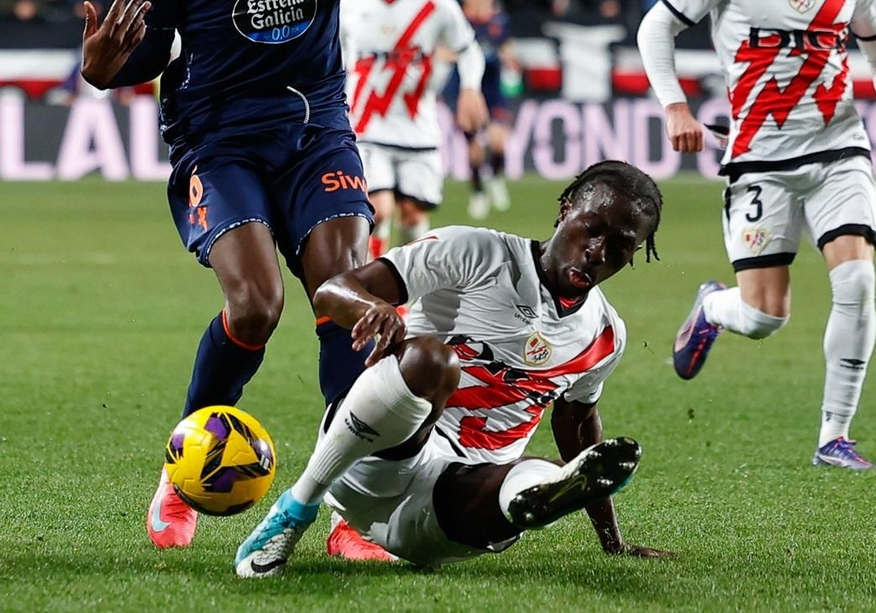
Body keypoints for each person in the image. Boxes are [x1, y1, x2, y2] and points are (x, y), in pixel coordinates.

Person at [77, 0, 520, 551]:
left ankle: (355, 509)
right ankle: (183, 469)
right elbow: (153, 42)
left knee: (347, 304)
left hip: (316, 128)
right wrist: (106, 69)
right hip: (219, 136)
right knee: (255, 306)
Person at [635, 0, 876, 470]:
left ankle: (833, 436)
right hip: (759, 155)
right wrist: (674, 104)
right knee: (766, 316)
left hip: (839, 147)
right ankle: (713, 307)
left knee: (858, 281)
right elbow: (657, 28)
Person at [234, 161, 670, 576]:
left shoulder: (605, 334)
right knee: (432, 360)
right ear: (565, 210)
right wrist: (374, 308)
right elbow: (332, 290)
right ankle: (296, 508)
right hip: (369, 464)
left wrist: (613, 539)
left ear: (634, 253)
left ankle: (538, 494)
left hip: (452, 515)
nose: (597, 251)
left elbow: (578, 426)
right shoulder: (476, 252)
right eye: (591, 229)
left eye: (620, 245)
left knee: (535, 480)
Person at [340, 0, 487, 259]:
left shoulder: (436, 4)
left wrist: (470, 88)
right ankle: (375, 293)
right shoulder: (349, 3)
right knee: (378, 210)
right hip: (363, 128)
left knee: (413, 215)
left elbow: (469, 51)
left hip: (417, 128)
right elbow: (324, 58)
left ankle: (403, 294)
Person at [456, 0, 520, 219]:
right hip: (467, 88)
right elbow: (444, 49)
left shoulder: (499, 21)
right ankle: (478, 192)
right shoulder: (458, 20)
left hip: (492, 87)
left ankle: (495, 178)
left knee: (498, 142)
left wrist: (510, 61)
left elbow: (507, 48)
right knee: (474, 148)